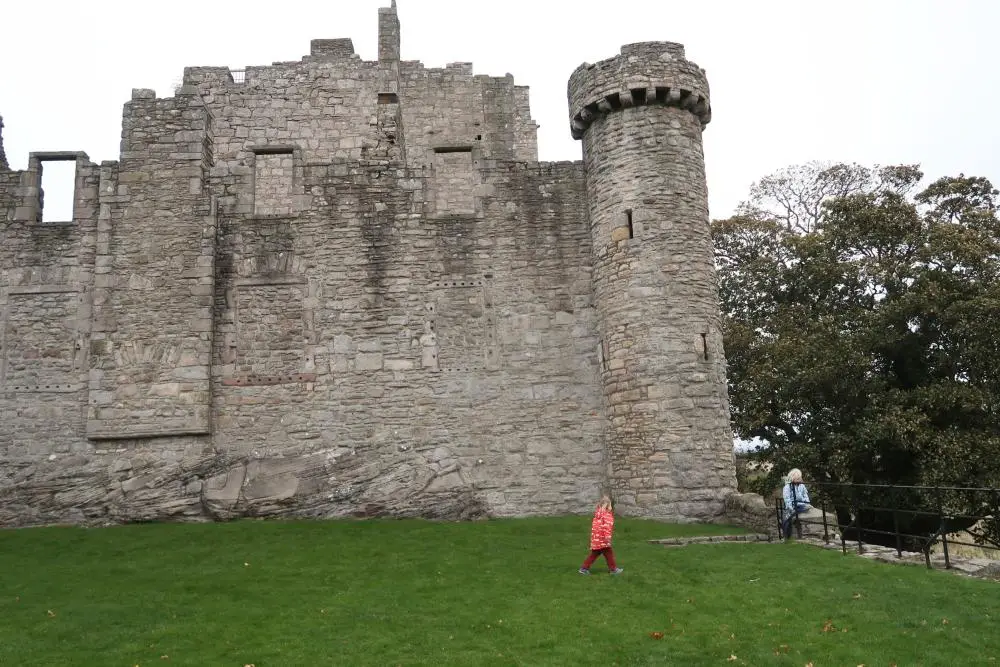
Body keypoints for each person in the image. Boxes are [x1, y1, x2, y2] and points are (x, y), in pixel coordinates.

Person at [579, 494, 623, 575]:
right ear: (606, 505)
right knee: (609, 553)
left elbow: (595, 528)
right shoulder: (606, 515)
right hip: (603, 540)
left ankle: (584, 568)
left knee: (595, 554)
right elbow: (607, 528)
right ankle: (613, 570)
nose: (611, 507)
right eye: (610, 504)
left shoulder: (598, 514)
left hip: (597, 540)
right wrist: (607, 538)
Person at [781, 468, 812, 540]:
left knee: (806, 507)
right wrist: (790, 508)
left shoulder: (802, 486)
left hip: (802, 504)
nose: (799, 479)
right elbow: (787, 499)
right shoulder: (787, 487)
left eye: (799, 478)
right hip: (792, 505)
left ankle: (798, 510)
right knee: (786, 520)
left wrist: (806, 502)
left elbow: (805, 496)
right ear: (792, 478)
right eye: (797, 478)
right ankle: (786, 537)